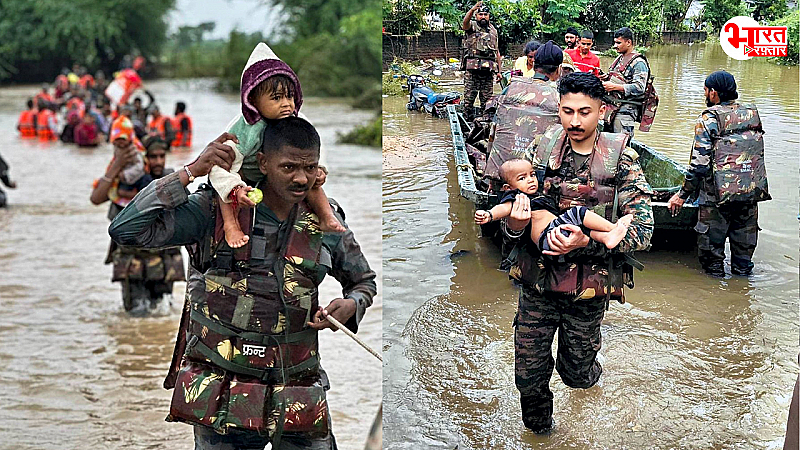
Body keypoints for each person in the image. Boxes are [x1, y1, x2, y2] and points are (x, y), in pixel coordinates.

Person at [108, 117, 377, 449]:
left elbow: (363, 281)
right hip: (222, 395)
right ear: (262, 162)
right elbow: (126, 229)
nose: (300, 178)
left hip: (297, 390)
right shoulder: (213, 211)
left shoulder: (324, 218)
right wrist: (190, 172)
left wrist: (351, 305)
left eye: (310, 168)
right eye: (289, 166)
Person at [504, 72, 653, 434]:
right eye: (567, 110)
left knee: (576, 376)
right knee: (527, 377)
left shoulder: (621, 157)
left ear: (602, 110)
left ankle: (591, 370)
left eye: (584, 112)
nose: (574, 121)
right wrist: (515, 226)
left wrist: (588, 242)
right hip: (538, 286)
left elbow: (644, 228)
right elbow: (508, 209)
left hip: (587, 290)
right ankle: (542, 436)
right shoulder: (541, 148)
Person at [212, 42, 344, 250]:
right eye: (276, 98)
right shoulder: (243, 129)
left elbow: (314, 146)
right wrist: (234, 188)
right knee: (223, 194)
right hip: (245, 173)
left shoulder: (297, 121)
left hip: (279, 177)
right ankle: (231, 225)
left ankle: (326, 216)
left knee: (309, 179)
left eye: (290, 96)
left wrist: (319, 169)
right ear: (252, 99)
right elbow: (222, 166)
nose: (287, 104)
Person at [667, 71, 770, 277]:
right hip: (749, 192)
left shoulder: (709, 118)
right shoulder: (751, 113)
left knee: (712, 262)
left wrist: (682, 195)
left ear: (713, 93)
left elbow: (699, 165)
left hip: (715, 198)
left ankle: (715, 298)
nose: (705, 95)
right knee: (743, 262)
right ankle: (742, 295)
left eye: (706, 90)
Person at [91, 133, 186, 315]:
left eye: (161, 156)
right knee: (135, 315)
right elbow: (96, 198)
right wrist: (117, 164)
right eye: (152, 157)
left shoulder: (170, 180)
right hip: (132, 261)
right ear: (144, 158)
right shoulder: (126, 182)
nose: (158, 162)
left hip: (163, 260)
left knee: (162, 313)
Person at [476, 158, 633, 250]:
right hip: (547, 236)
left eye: (532, 175)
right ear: (508, 188)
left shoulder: (537, 195)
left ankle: (607, 238)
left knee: (582, 228)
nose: (530, 180)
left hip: (554, 231)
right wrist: (489, 215)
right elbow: (503, 208)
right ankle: (614, 228)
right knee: (578, 212)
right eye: (522, 178)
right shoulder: (517, 197)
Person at [599, 27, 651, 137]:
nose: (615, 46)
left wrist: (614, 87)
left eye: (618, 43)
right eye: (615, 42)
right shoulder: (619, 59)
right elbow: (617, 77)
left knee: (622, 143)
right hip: (612, 108)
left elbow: (639, 87)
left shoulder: (639, 63)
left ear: (628, 42)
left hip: (626, 110)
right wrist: (604, 77)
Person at [460, 1, 500, 120]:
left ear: (489, 16)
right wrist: (472, 10)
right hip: (472, 71)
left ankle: (485, 125)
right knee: (468, 101)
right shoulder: (472, 26)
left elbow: (497, 52)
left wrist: (499, 71)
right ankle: (466, 122)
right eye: (480, 14)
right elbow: (464, 23)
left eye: (485, 14)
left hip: (488, 72)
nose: (483, 16)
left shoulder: (493, 31)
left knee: (487, 102)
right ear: (476, 16)